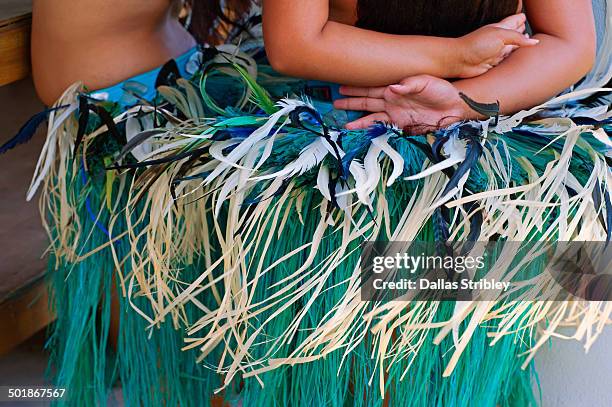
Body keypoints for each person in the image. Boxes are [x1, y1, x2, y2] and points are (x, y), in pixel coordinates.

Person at [263, 0, 597, 130]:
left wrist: (459, 101)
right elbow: (294, 44)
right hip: (341, 137)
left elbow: (568, 41)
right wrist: (456, 55)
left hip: (493, 129)